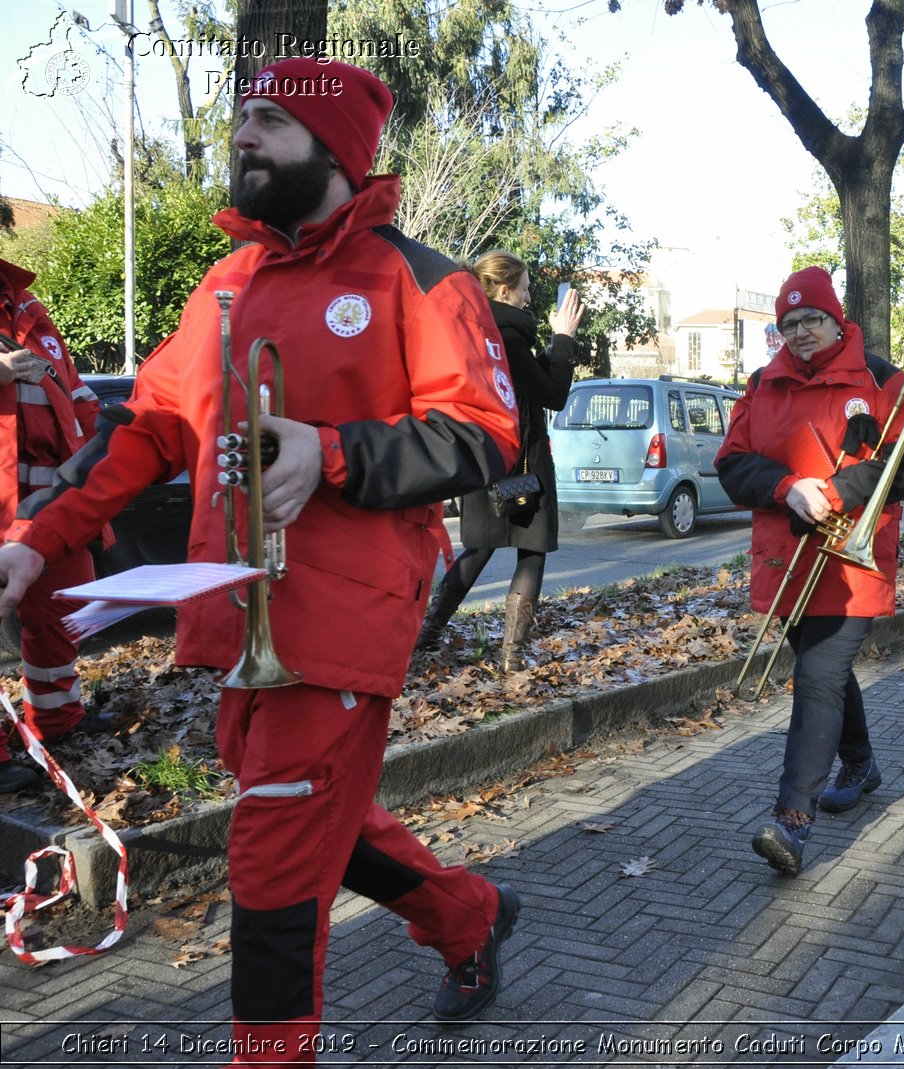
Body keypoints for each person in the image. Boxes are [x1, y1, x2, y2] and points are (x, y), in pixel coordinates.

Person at [0, 59, 524, 1059]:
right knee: (308, 808)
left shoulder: (422, 277)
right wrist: (35, 538)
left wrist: (328, 450)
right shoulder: (224, 283)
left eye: (270, 122)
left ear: (333, 152)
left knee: (274, 847)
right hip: (236, 610)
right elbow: (144, 428)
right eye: (242, 118)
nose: (243, 137)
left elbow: (483, 437)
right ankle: (467, 915)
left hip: (342, 609)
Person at [715, 266, 904, 877]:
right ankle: (861, 764)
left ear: (836, 318)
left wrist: (839, 491)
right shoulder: (762, 384)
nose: (802, 332)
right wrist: (786, 487)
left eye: (812, 319)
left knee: (818, 675)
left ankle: (792, 819)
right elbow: (732, 465)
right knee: (827, 676)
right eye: (789, 324)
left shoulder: (883, 377)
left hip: (853, 559)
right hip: (787, 558)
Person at [415, 252, 581, 669]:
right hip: (523, 459)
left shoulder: (479, 329)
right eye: (524, 288)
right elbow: (552, 395)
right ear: (505, 290)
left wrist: (545, 352)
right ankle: (512, 653)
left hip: (483, 456)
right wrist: (563, 340)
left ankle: (427, 633)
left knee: (479, 547)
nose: (529, 297)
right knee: (532, 551)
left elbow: (523, 382)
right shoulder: (508, 334)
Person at [0, 258, 111, 794]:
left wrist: (113, 446)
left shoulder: (29, 313)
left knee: (63, 610)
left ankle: (57, 721)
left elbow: (76, 392)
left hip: (48, 506)